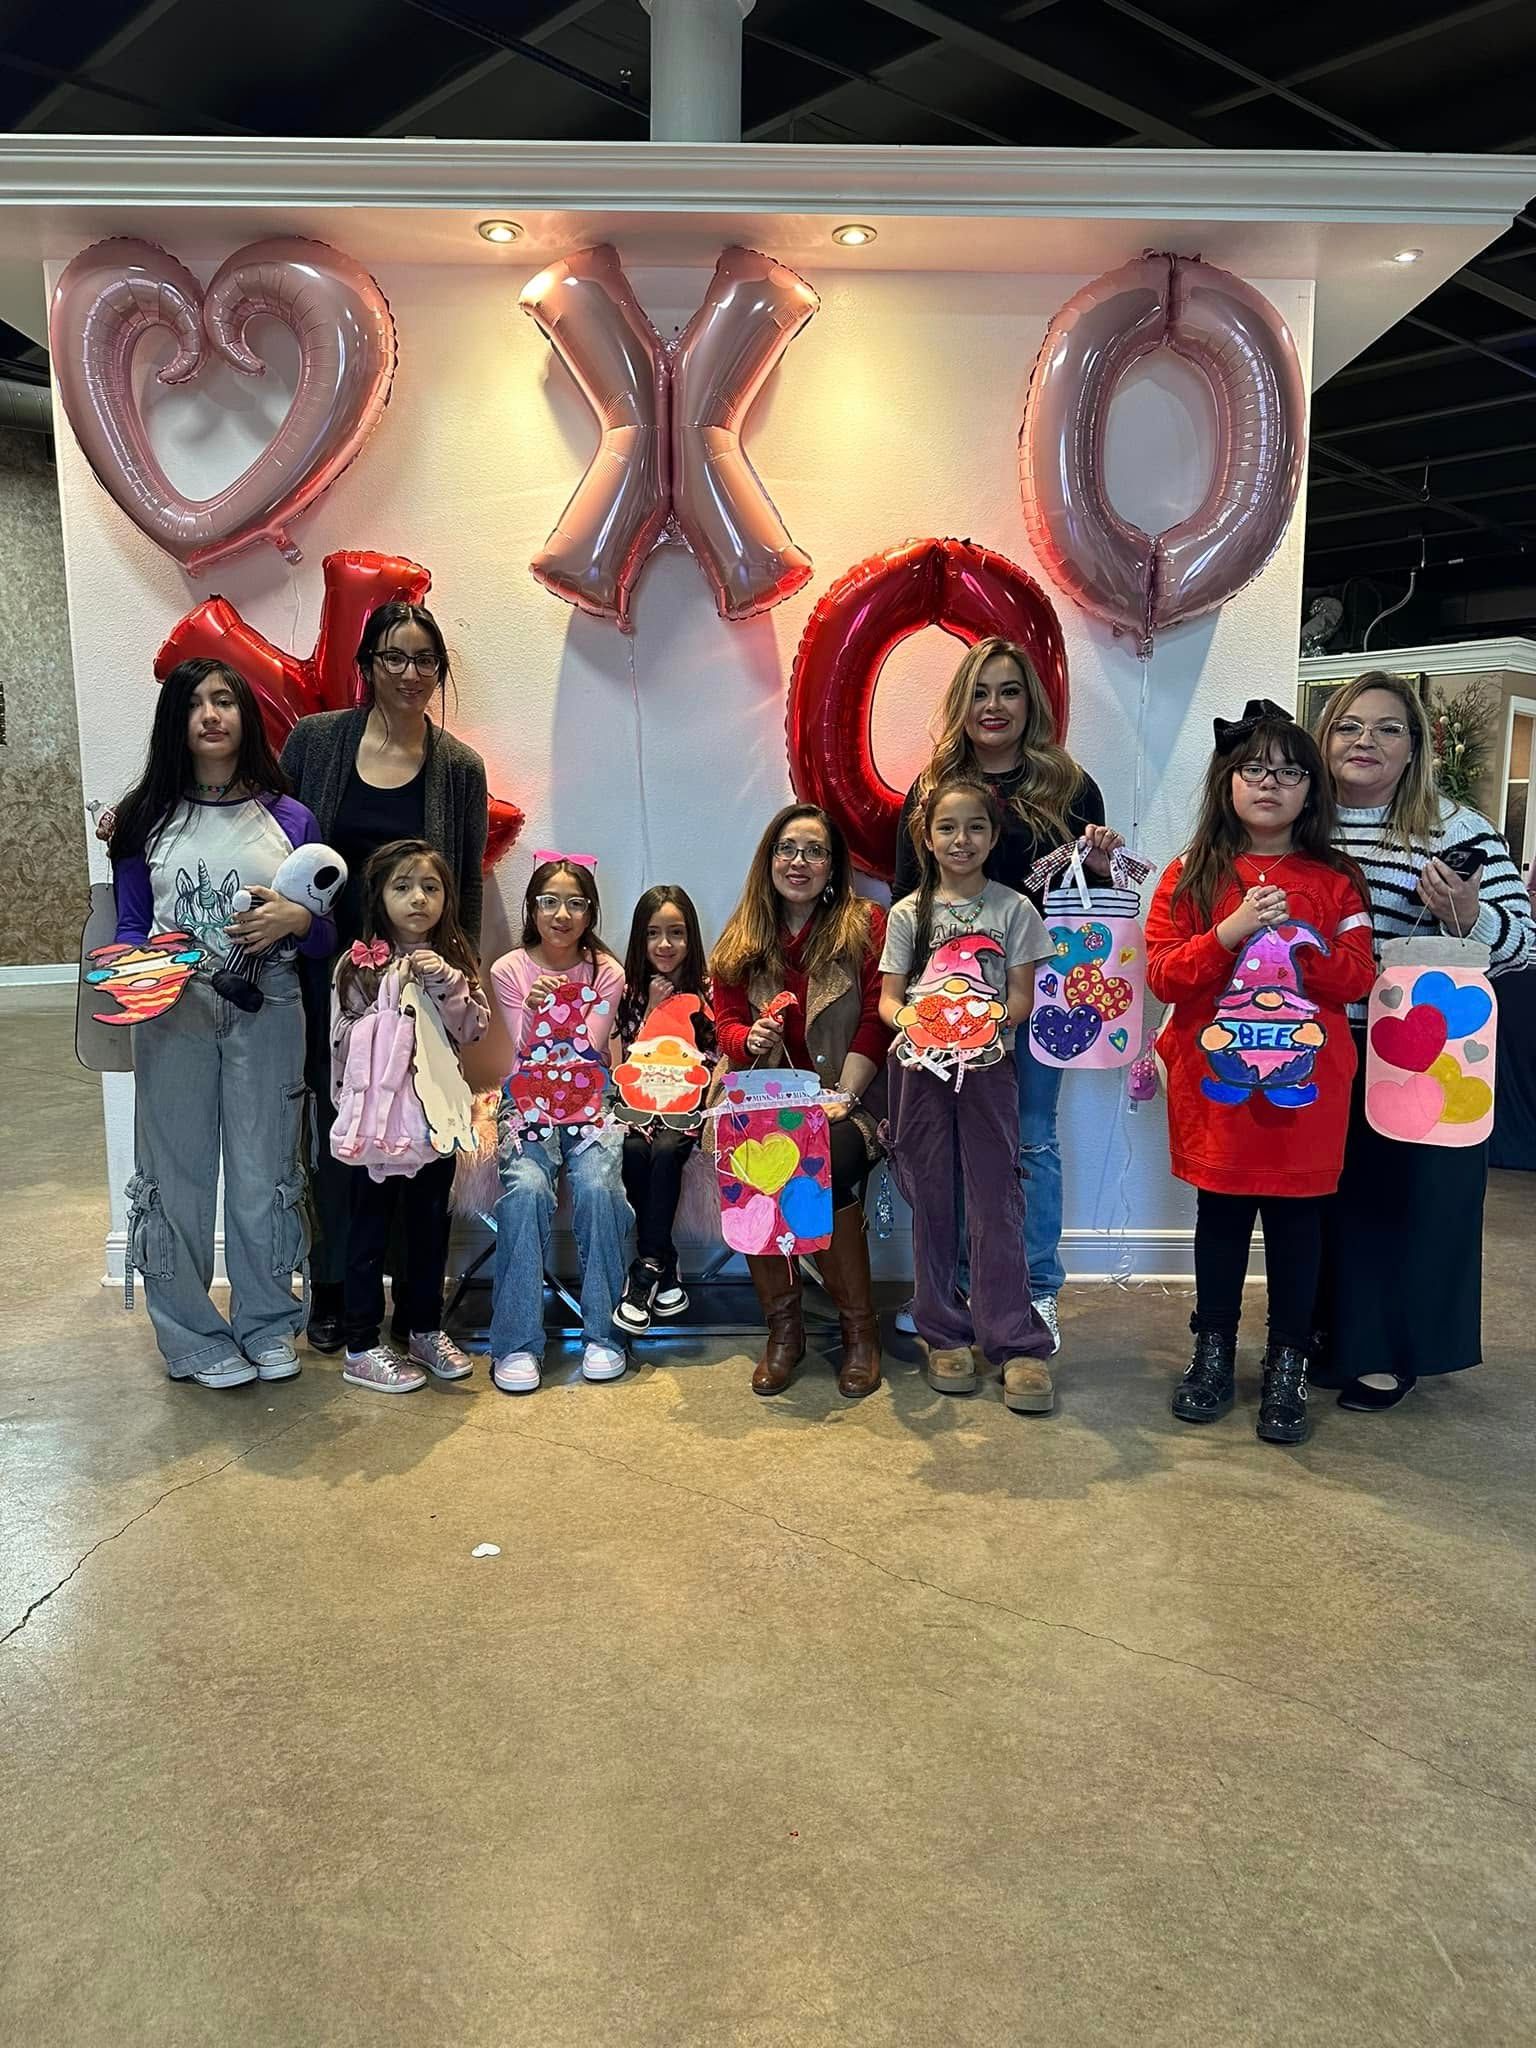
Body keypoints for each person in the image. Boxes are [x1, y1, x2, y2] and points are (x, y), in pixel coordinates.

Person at [1146, 700, 1376, 1445]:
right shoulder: (1188, 874)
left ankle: (1288, 1363)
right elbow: (1164, 976)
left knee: (1297, 1225)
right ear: (1227, 782)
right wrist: (1231, 930)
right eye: (1254, 769)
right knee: (1219, 1220)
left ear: (1313, 789)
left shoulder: (1337, 880)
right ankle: (1211, 1351)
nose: (1269, 784)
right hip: (1218, 1088)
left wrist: (1297, 940)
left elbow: (1357, 978)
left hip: (1307, 1091)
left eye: (1288, 771)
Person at [108, 657, 336, 1388]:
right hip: (174, 1007)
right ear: (174, 720)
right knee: (174, 1175)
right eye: (196, 703)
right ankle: (188, 1335)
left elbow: (323, 937)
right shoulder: (146, 818)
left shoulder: (290, 817)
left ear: (246, 716)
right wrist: (148, 967)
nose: (211, 715)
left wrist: (299, 918)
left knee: (266, 1168)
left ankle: (267, 1320)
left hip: (267, 1004)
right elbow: (133, 925)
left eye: (225, 701)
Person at [1311, 672, 1536, 1410]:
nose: (1365, 742)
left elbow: (1524, 946)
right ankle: (1323, 1337)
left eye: (1386, 729)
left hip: (1420, 1054)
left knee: (1406, 1204)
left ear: (1415, 748)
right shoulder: (1300, 821)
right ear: (1325, 737)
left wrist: (1469, 915)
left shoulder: (1460, 829)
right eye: (1349, 726)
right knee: (1323, 1202)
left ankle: (1385, 1351)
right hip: (1314, 1045)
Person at [892, 637, 1122, 1354]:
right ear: (963, 702)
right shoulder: (929, 789)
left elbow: (1097, 907)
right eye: (981, 692)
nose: (995, 706)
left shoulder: (1071, 787)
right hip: (952, 1006)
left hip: (1043, 995)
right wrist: (933, 1009)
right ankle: (961, 1291)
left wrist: (1105, 866)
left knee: (1030, 1140)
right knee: (956, 1146)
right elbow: (912, 900)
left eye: (1010, 691)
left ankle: (1035, 1293)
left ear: (1033, 702)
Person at [279, 603, 488, 1355]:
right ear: (367, 664)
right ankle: (335, 1290)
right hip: (331, 976)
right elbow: (274, 837)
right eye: (394, 657)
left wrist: (453, 978)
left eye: (425, 659)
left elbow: (460, 886)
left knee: (419, 1138)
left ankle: (413, 1310)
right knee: (340, 1130)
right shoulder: (318, 741)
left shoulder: (459, 767)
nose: (410, 673)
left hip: (421, 988)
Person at [880, 775, 1057, 1411]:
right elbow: (888, 1001)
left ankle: (1014, 1340)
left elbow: (1020, 999)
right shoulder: (908, 913)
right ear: (926, 838)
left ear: (992, 836)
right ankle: (942, 1331)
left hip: (988, 1069)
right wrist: (923, 1025)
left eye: (975, 827)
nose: (962, 839)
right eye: (947, 828)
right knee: (931, 1194)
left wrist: (977, 1024)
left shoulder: (1015, 910)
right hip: (919, 1072)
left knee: (996, 1197)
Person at [711, 804, 891, 1399]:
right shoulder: (740, 941)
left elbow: (875, 1022)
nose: (800, 861)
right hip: (764, 1103)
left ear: (833, 866)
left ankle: (859, 1332)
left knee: (828, 1160)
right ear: (769, 860)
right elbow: (727, 1029)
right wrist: (748, 1039)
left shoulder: (867, 925)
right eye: (788, 848)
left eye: (815, 851)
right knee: (750, 1163)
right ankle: (784, 1331)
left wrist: (845, 1096)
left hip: (850, 1102)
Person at [329, 841, 489, 1394]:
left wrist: (446, 983)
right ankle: (361, 1342)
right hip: (375, 1125)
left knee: (428, 1227)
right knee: (368, 1230)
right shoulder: (357, 963)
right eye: (402, 886)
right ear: (379, 895)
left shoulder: (454, 959)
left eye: (430, 887)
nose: (417, 898)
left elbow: (473, 1030)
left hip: (434, 1123)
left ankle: (422, 1326)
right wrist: (387, 1016)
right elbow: (340, 1042)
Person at [488, 860, 631, 1393]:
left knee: (598, 1185)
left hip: (591, 1097)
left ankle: (605, 1334)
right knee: (525, 1189)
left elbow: (589, 1048)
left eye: (575, 902)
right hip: (528, 1100)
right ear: (532, 906)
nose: (561, 914)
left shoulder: (606, 971)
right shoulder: (509, 969)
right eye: (549, 900)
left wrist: (562, 1011)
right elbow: (528, 1050)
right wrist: (534, 1010)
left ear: (591, 912)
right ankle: (517, 1343)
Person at [611, 886, 716, 1335]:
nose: (665, 944)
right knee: (633, 1150)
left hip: (685, 1107)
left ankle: (645, 1269)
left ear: (691, 937)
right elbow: (622, 1056)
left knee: (669, 1148)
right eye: (653, 933)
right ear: (640, 938)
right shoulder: (630, 991)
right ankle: (664, 1265)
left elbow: (715, 1053)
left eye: (676, 933)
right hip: (638, 1105)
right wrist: (653, 1008)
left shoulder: (707, 990)